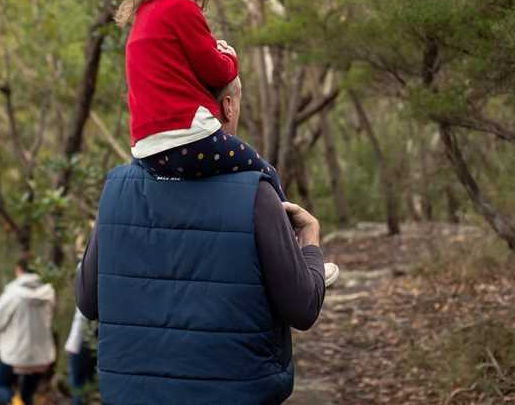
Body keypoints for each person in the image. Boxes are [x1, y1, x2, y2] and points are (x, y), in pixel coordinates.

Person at [76, 76, 331, 403]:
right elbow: (303, 307)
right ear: (227, 106)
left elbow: (87, 300)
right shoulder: (256, 194)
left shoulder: (117, 188)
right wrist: (309, 242)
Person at [116, 0, 286, 200]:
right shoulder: (182, 9)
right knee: (264, 173)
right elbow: (217, 73)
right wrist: (230, 57)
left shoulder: (143, 19)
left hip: (147, 150)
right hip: (191, 139)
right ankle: (293, 236)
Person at [0, 254, 56, 405]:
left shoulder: (12, 295)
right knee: (27, 393)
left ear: (18, 270)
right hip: (42, 356)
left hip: (16, 355)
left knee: (1, 386)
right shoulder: (48, 294)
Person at [64, 307, 95, 405]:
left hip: (79, 344)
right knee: (84, 384)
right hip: (87, 344)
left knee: (77, 384)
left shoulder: (86, 297)